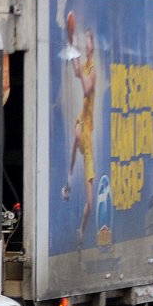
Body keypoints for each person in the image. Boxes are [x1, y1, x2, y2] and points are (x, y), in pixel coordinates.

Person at [61, 25, 97, 248]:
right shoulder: (85, 66)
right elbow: (76, 72)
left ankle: (80, 232)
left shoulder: (93, 70)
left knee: (91, 204)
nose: (87, 44)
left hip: (89, 136)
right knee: (75, 135)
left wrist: (75, 54)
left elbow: (85, 87)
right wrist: (72, 52)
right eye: (85, 40)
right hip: (82, 125)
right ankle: (69, 181)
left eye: (89, 40)